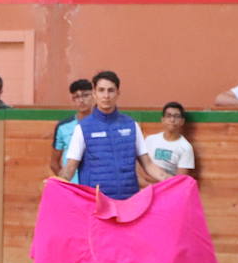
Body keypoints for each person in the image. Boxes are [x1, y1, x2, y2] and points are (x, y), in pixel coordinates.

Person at [58, 71, 171, 199]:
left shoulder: (131, 125)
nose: (106, 96)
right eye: (101, 90)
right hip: (96, 203)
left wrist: (171, 180)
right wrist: (57, 182)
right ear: (94, 94)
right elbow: (70, 168)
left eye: (111, 90)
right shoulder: (82, 129)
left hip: (129, 202)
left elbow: (148, 165)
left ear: (118, 93)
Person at [50, 79, 93, 181]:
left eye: (85, 95)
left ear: (94, 96)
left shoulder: (103, 124)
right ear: (73, 100)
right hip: (73, 187)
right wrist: (66, 182)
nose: (81, 100)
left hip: (96, 186)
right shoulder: (63, 126)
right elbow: (54, 163)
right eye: (76, 97)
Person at [142, 102, 196, 181]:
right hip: (146, 186)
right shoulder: (150, 140)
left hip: (168, 188)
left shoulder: (186, 147)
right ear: (163, 120)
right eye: (168, 116)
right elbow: (140, 168)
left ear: (182, 121)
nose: (172, 120)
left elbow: (179, 180)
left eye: (176, 116)